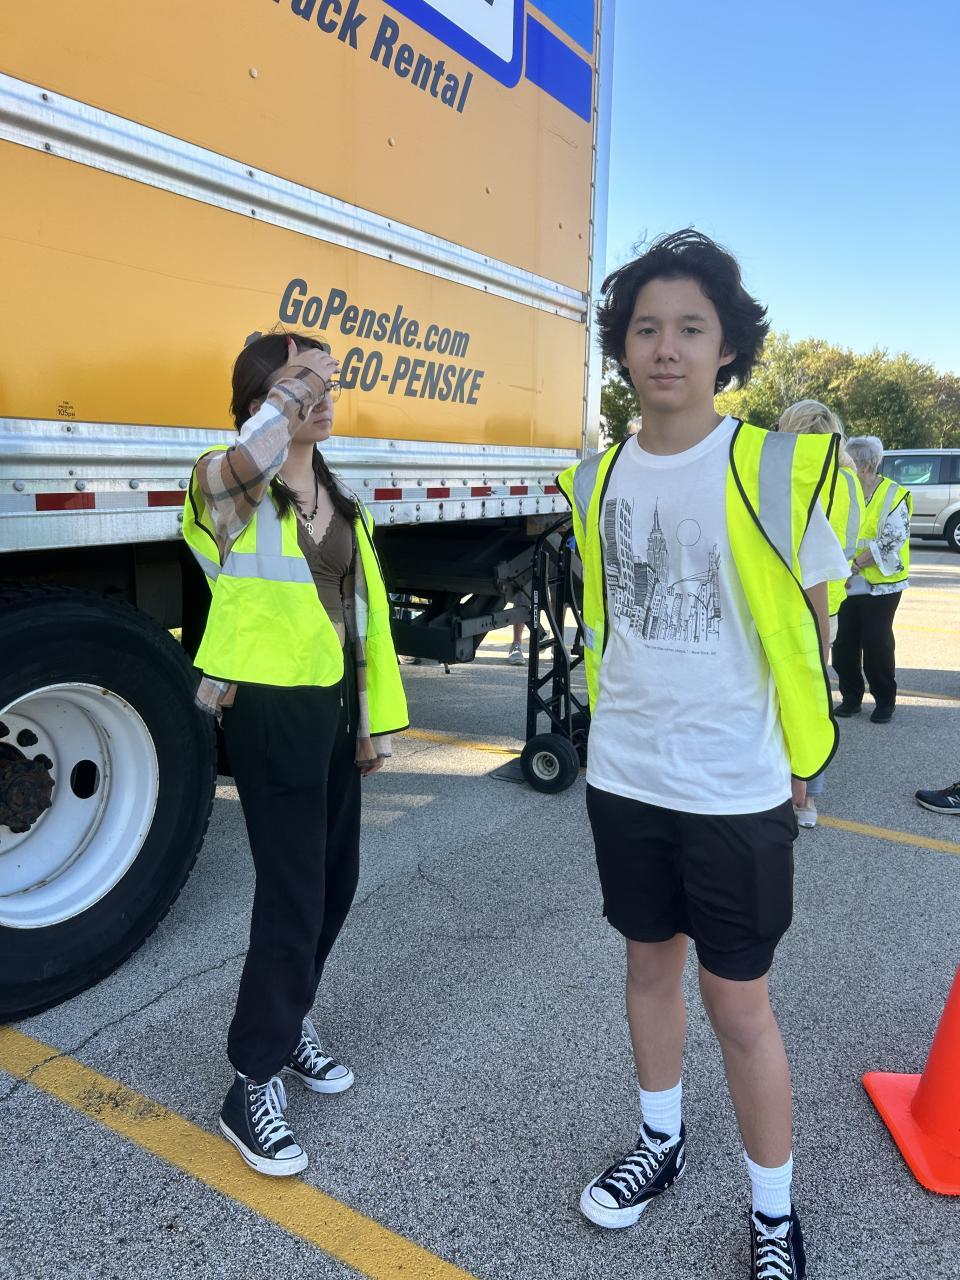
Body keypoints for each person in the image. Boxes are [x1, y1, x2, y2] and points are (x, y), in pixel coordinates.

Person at [557, 230, 849, 1280]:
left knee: (739, 1004)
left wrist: (805, 755)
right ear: (623, 347)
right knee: (647, 968)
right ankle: (661, 1140)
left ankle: (773, 1211)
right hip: (625, 773)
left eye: (690, 327)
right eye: (646, 329)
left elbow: (814, 622)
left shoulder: (771, 465)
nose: (666, 347)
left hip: (734, 783)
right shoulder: (595, 479)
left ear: (727, 346)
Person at [182, 332, 408, 1176]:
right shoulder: (223, 485)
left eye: (325, 382)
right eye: (298, 383)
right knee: (291, 896)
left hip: (333, 711)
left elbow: (359, 626)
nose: (321, 393)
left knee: (335, 882)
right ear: (258, 403)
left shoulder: (342, 500)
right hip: (270, 713)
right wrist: (294, 386)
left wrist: (369, 728)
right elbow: (240, 469)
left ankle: (290, 1018)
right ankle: (251, 1079)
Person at [777, 400, 865, 827]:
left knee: (777, 696)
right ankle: (807, 797)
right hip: (827, 606)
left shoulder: (786, 474)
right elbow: (849, 544)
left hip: (782, 599)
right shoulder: (848, 481)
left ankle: (784, 787)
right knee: (813, 697)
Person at [832, 436, 912, 724]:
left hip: (882, 585)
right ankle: (851, 697)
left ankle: (884, 700)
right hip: (848, 583)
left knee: (876, 643)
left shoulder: (893, 494)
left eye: (847, 463)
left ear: (863, 467)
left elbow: (891, 540)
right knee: (843, 644)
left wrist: (854, 565)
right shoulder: (843, 492)